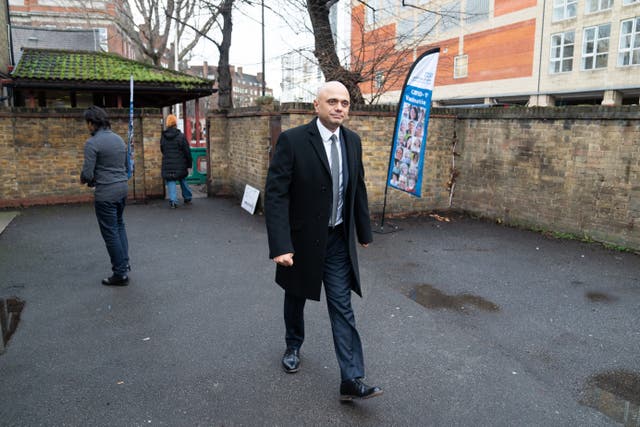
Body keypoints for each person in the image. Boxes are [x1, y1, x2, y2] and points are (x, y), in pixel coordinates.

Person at [264, 81, 382, 401]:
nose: (339, 108)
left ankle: (352, 377)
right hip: (300, 241)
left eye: (344, 103)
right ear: (316, 105)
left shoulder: (353, 142)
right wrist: (280, 244)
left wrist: (364, 232)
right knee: (296, 295)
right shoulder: (293, 141)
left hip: (337, 240)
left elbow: (356, 188)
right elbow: (275, 196)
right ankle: (293, 345)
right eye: (332, 101)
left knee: (342, 307)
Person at [80, 106, 130, 286]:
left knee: (110, 232)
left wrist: (85, 179)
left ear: (92, 123)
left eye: (88, 123)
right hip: (122, 188)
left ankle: (120, 273)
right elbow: (126, 165)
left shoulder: (92, 143)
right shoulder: (119, 139)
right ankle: (125, 263)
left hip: (106, 192)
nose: (87, 127)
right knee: (119, 225)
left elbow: (87, 173)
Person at [161, 114, 193, 208]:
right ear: (175, 123)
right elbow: (187, 151)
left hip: (168, 163)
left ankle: (173, 201)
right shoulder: (181, 136)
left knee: (171, 180)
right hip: (180, 163)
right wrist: (189, 162)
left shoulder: (163, 136)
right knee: (182, 179)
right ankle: (187, 197)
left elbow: (162, 149)